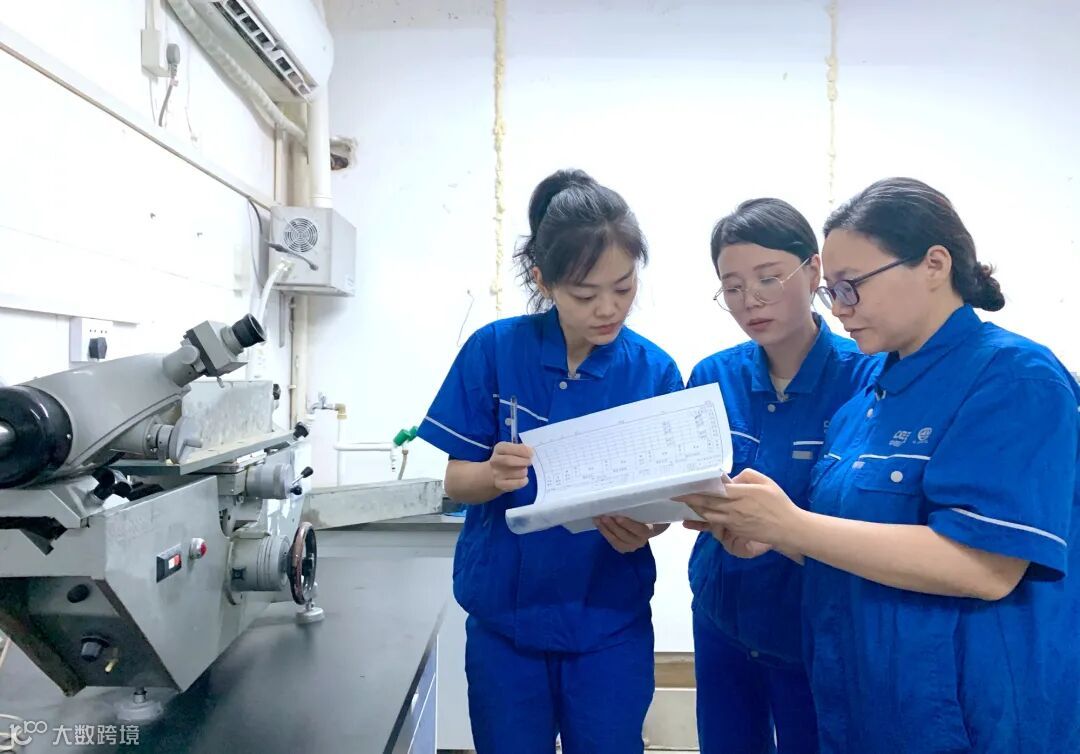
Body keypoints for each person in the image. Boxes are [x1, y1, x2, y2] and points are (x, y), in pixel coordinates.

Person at [683, 177, 1080, 753]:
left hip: (963, 716)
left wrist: (792, 525)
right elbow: (850, 543)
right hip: (862, 704)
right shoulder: (866, 401)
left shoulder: (1014, 378)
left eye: (853, 286)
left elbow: (987, 568)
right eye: (834, 293)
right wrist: (771, 533)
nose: (841, 307)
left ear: (934, 264)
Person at [417, 168, 683, 754]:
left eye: (624, 287)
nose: (608, 309)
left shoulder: (654, 372)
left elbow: (665, 502)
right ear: (544, 280)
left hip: (608, 621)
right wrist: (492, 475)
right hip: (505, 623)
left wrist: (646, 527)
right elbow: (457, 481)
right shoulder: (494, 349)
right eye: (585, 295)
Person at [685, 198, 880, 754]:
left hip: (816, 625)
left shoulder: (867, 376)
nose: (751, 300)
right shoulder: (712, 377)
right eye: (732, 287)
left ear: (814, 271)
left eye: (769, 278)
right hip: (723, 612)